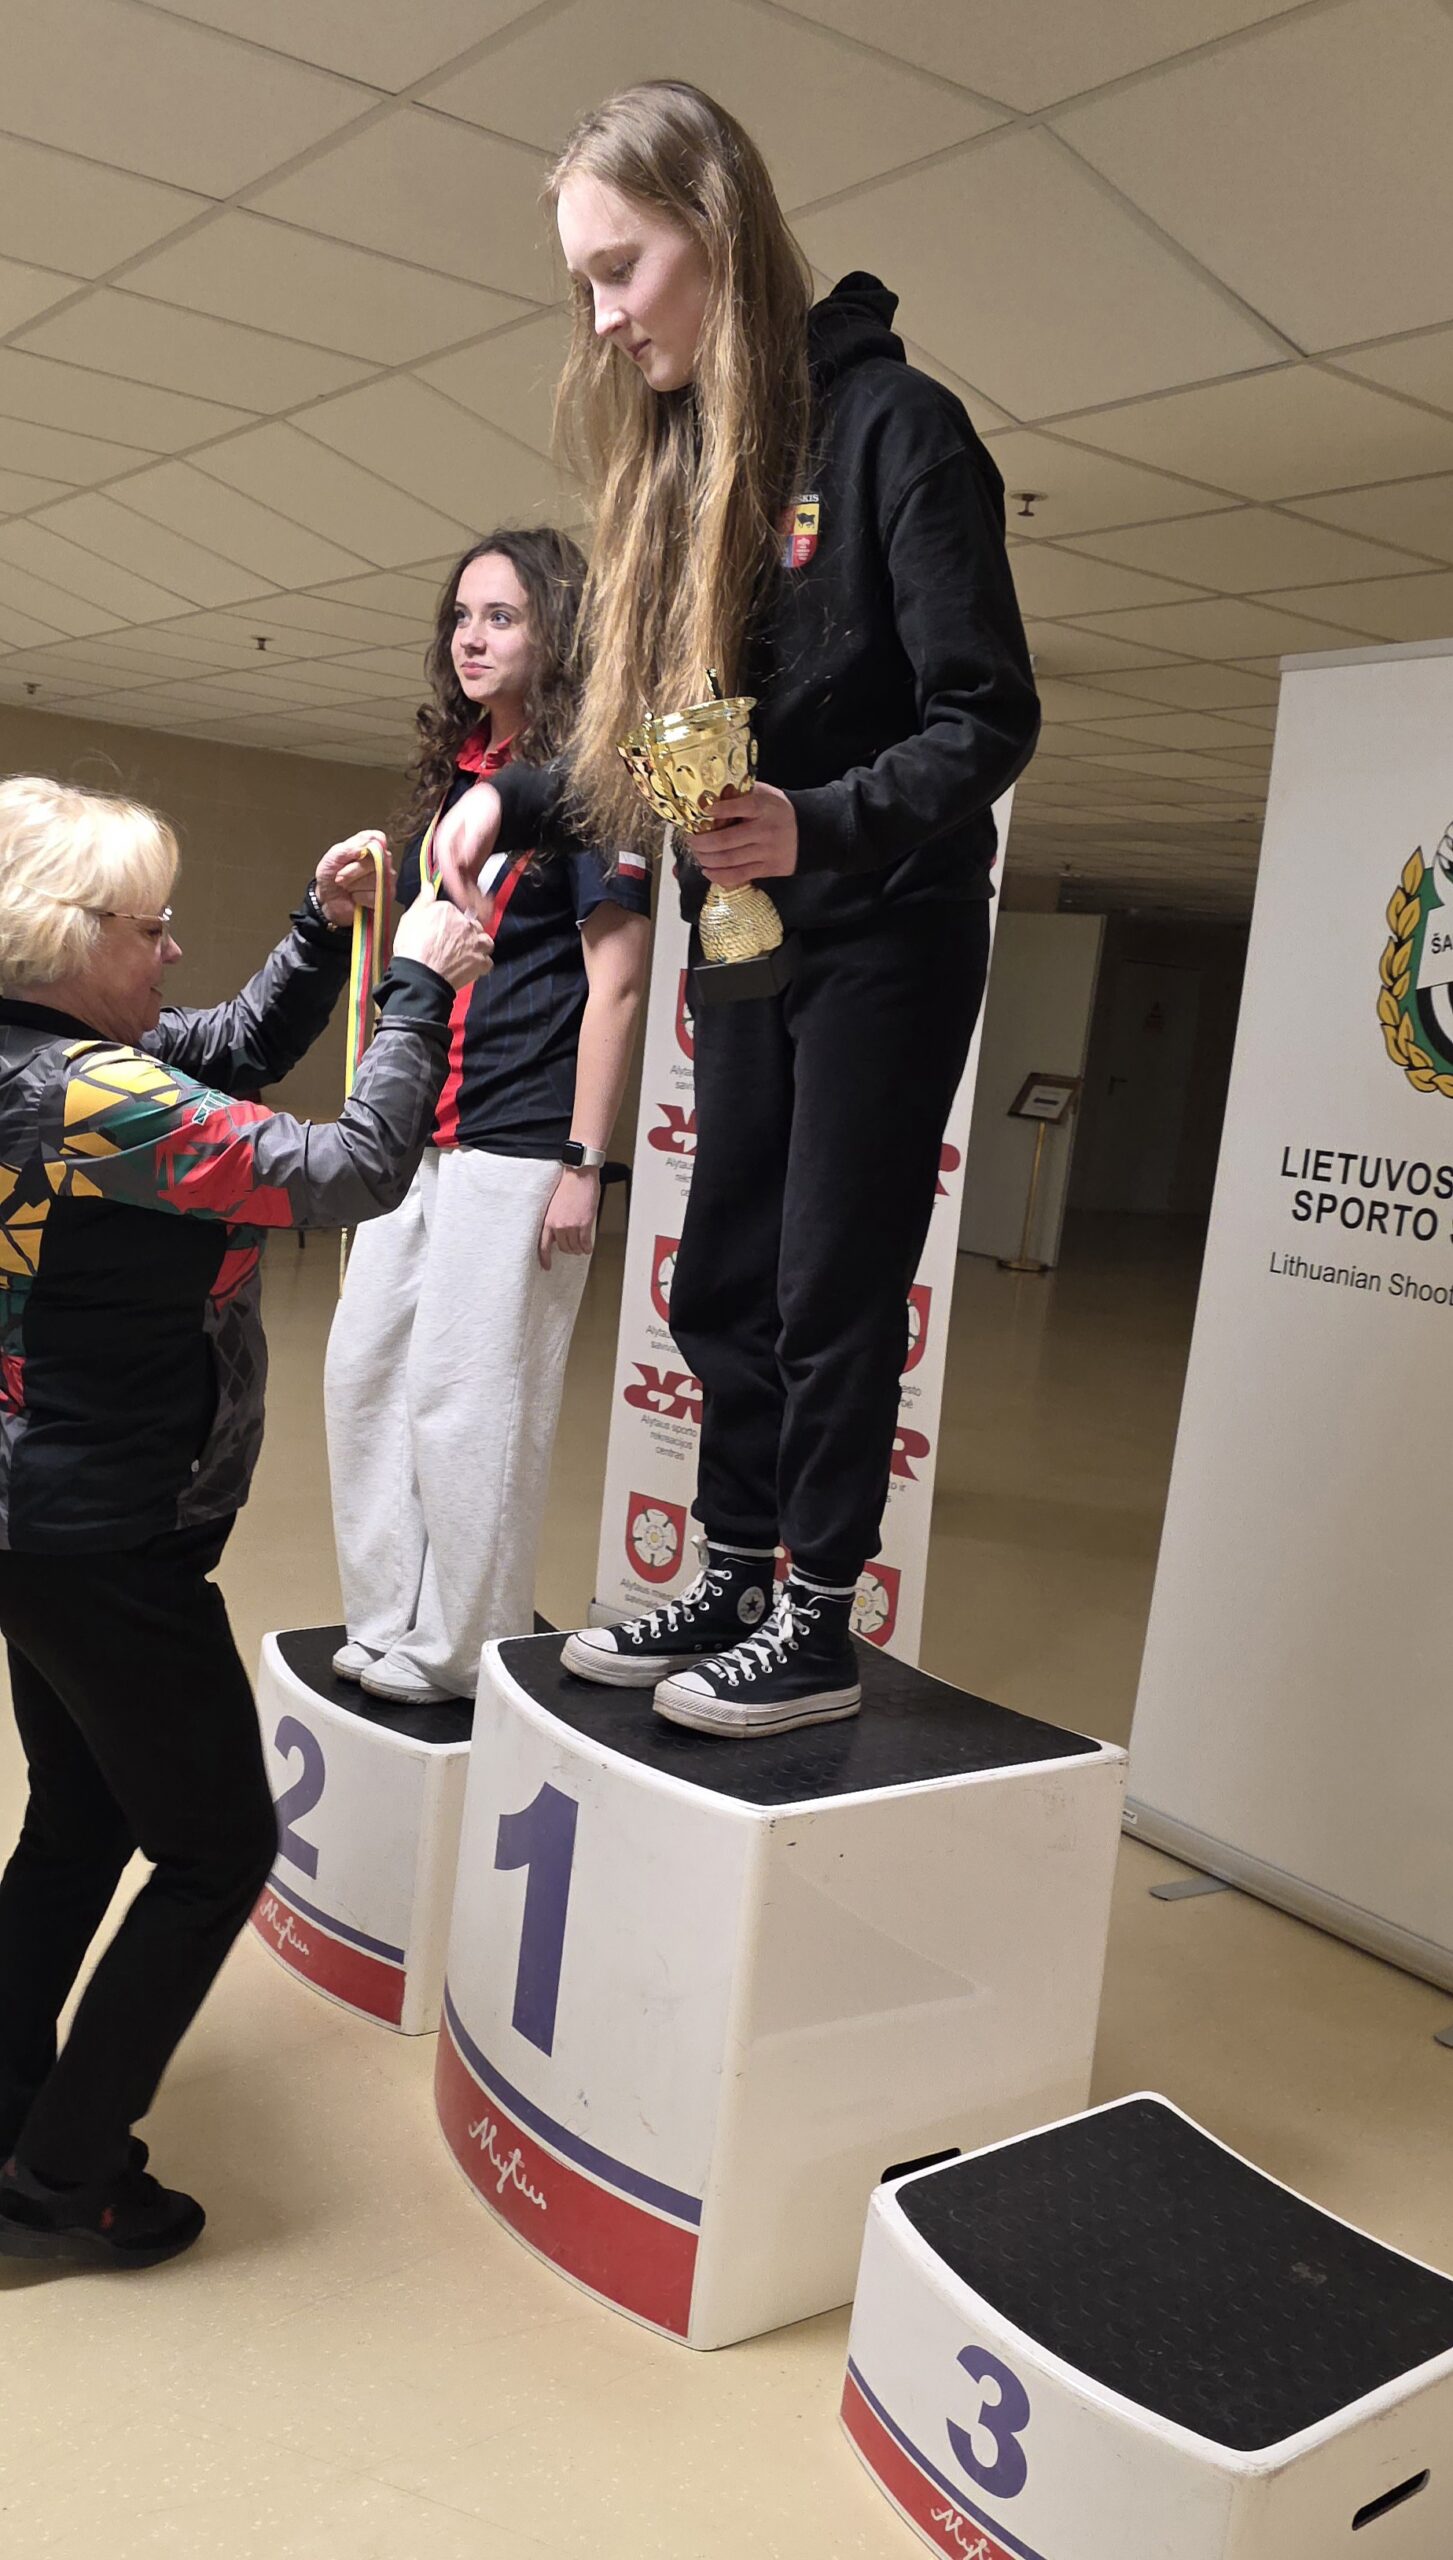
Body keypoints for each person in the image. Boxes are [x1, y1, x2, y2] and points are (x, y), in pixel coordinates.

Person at [438, 82, 1040, 1740]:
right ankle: (726, 1568)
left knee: (828, 1279)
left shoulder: (896, 430)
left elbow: (985, 717)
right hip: (744, 934)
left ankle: (815, 1616)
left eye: (618, 268)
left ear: (712, 229)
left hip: (881, 921)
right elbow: (637, 733)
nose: (601, 315)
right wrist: (511, 797)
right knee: (720, 1270)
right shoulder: (689, 461)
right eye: (583, 282)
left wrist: (815, 824)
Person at [0, 775, 490, 2268]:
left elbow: (209, 1053)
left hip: (38, 1520)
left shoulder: (50, 1067)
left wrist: (317, 933)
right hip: (106, 1536)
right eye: (149, 929)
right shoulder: (88, 1097)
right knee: (218, 1849)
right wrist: (417, 984)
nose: (170, 951)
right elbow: (352, 1170)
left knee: (82, 1814)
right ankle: (61, 2175)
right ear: (60, 937)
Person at [324, 529, 650, 1707]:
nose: (471, 637)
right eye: (461, 615)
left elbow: (618, 982)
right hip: (419, 1133)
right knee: (364, 1373)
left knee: (472, 1405)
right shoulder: (459, 780)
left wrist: (584, 1163)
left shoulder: (596, 786)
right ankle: (387, 1619)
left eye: (501, 616)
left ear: (556, 630)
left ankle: (466, 1646)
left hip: (519, 1139)